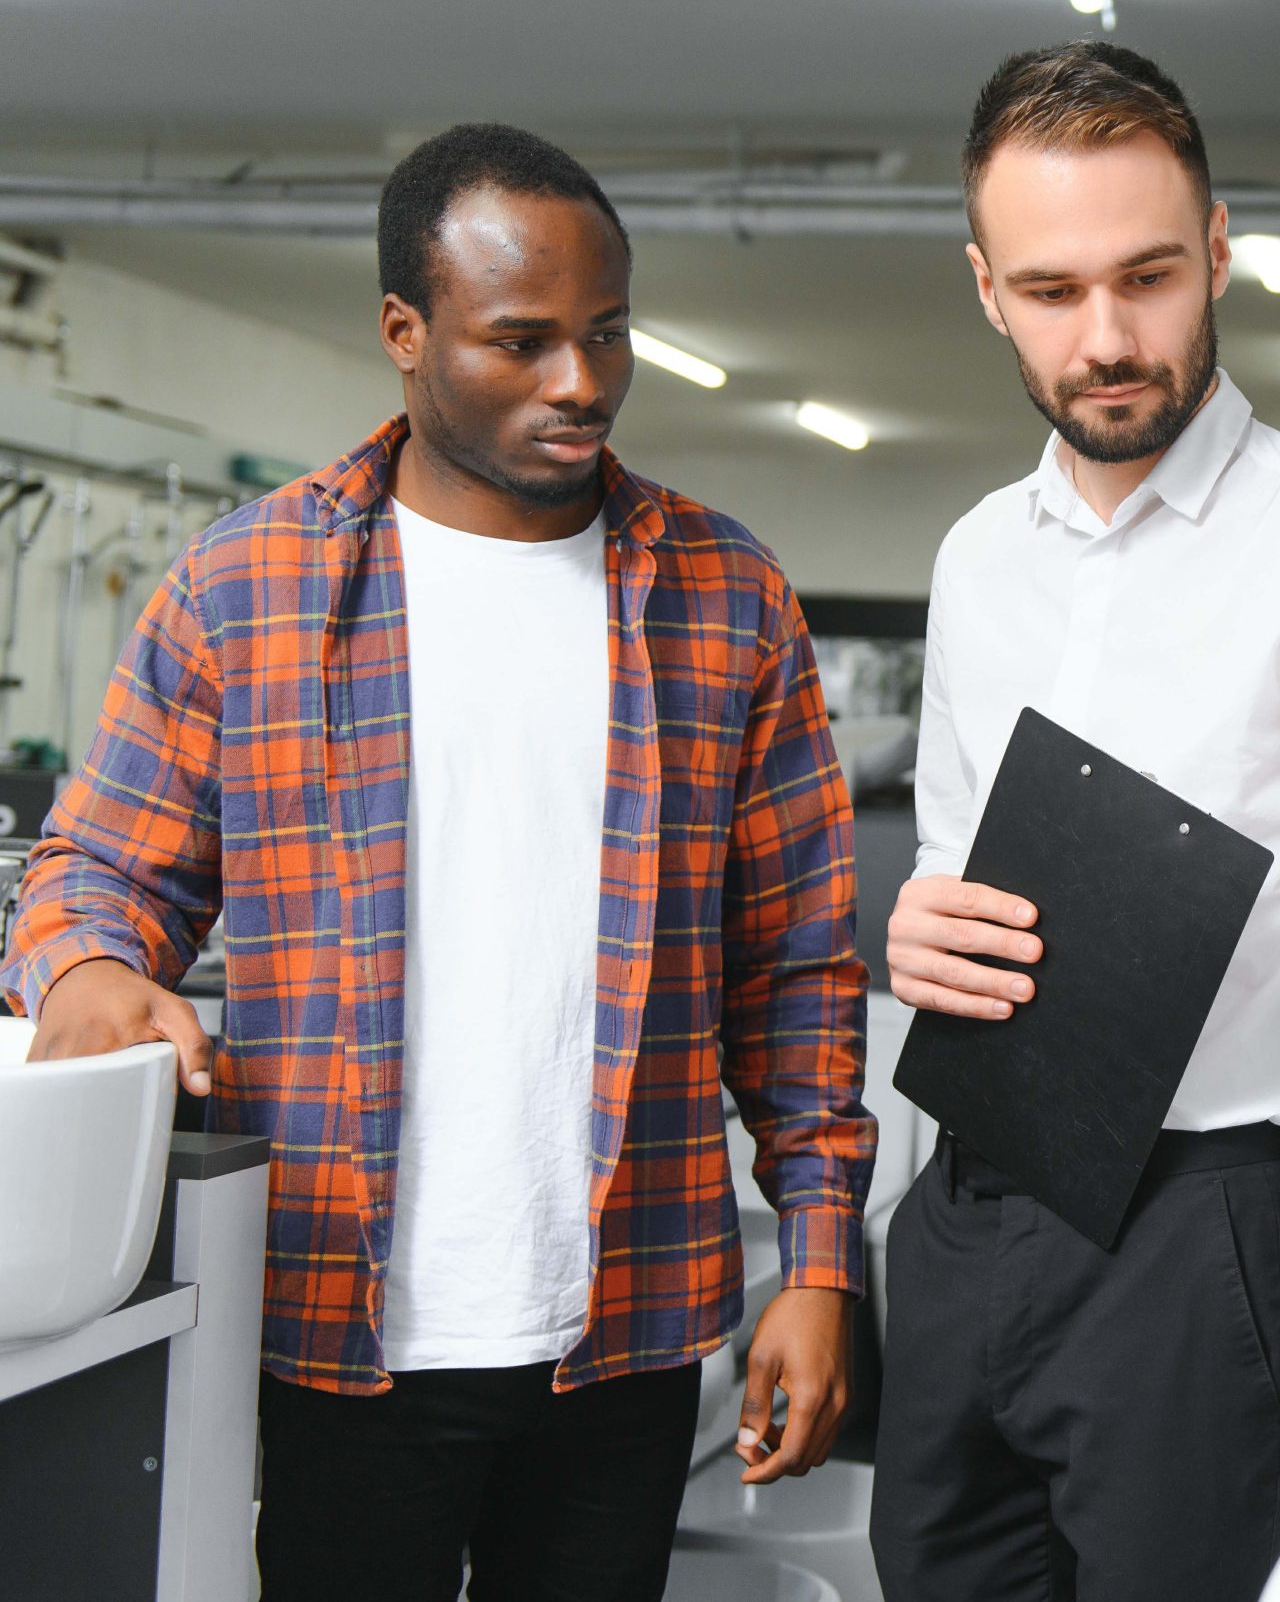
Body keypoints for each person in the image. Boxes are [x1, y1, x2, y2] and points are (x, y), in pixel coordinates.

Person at [0, 124, 874, 1602]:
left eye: (607, 335)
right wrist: (87, 969)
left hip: (628, 1319)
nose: (581, 383)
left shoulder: (727, 598)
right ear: (405, 332)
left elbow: (796, 972)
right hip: (336, 1332)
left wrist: (825, 1259)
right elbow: (97, 868)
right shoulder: (249, 587)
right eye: (522, 341)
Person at [873, 42, 1280, 1601]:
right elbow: (954, 864)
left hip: (1197, 1237)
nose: (1107, 338)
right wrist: (918, 927)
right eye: (1049, 291)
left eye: (1148, 277)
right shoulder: (977, 560)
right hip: (963, 1213)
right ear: (985, 289)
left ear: (1218, 248)